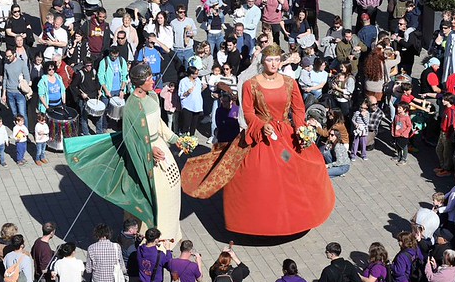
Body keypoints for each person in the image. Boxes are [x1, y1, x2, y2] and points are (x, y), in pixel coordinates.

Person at [181, 44, 335, 236]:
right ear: (262, 61)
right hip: (262, 134)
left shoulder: (289, 82)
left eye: (277, 60)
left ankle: (294, 215)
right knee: (259, 174)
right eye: (270, 60)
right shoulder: (251, 85)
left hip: (285, 138)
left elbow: (297, 110)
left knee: (291, 165)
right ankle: (262, 219)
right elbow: (248, 113)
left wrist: (301, 129)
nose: (274, 63)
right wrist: (262, 125)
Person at [65, 64, 183, 242]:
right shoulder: (131, 107)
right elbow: (131, 139)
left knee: (170, 192)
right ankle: (149, 237)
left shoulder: (152, 96)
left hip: (160, 147)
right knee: (156, 193)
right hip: (146, 155)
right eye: (148, 79)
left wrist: (175, 139)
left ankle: (169, 234)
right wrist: (150, 150)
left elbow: (159, 124)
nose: (152, 81)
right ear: (139, 83)